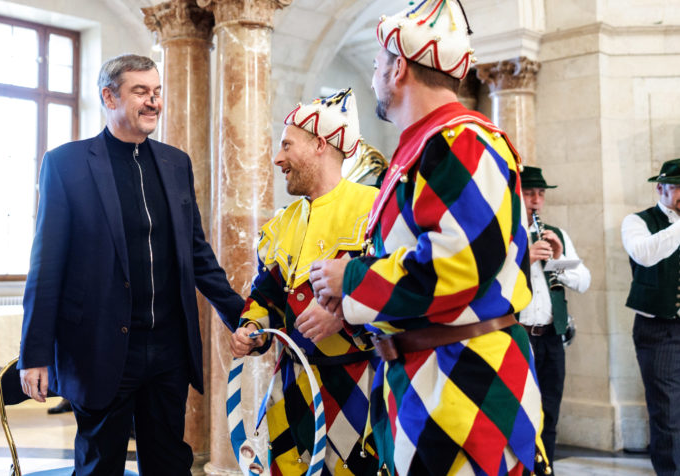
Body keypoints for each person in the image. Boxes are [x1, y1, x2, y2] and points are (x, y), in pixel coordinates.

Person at [309, 1, 548, 474]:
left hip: (465, 383)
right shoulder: (425, 145)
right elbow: (406, 253)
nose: (375, 75)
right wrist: (348, 303)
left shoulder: (461, 140)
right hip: (428, 378)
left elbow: (457, 265)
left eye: (377, 64)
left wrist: (352, 280)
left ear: (399, 68)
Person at [18, 54, 244, 475]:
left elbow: (196, 253)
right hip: (99, 348)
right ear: (109, 96)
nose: (153, 101)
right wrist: (34, 353)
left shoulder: (177, 164)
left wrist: (240, 314)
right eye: (141, 91)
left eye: (157, 92)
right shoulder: (66, 165)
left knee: (168, 464)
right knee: (100, 465)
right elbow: (46, 266)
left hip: (168, 350)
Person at [230, 88, 380, 475]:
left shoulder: (375, 208)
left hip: (359, 383)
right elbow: (266, 295)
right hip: (290, 387)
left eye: (286, 146)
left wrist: (344, 315)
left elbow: (405, 289)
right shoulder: (281, 223)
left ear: (319, 144)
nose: (277, 159)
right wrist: (253, 328)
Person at [519, 165, 591, 469]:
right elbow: (487, 282)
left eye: (541, 194)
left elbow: (583, 282)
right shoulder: (506, 235)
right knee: (521, 412)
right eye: (529, 193)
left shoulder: (556, 234)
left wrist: (558, 259)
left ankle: (545, 468)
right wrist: (524, 257)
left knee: (549, 411)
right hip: (518, 337)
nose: (536, 200)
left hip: (550, 337)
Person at [621, 157, 680, 476]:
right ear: (660, 188)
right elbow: (645, 255)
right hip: (659, 329)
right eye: (678, 186)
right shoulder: (637, 221)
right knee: (667, 410)